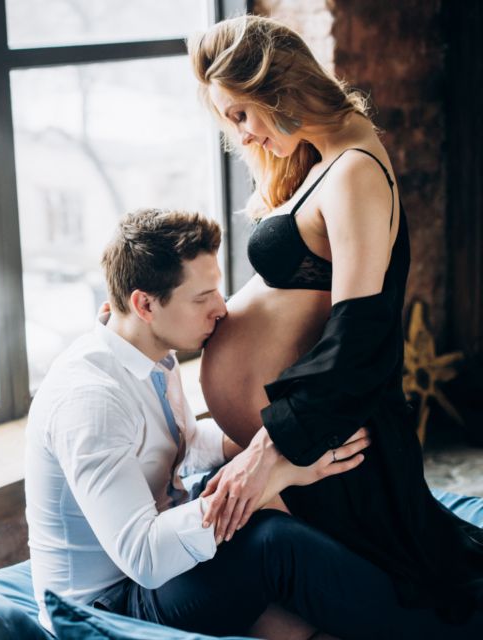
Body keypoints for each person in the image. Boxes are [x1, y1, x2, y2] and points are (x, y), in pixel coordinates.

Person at [24, 208, 471, 639]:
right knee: (274, 543)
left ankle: (429, 583)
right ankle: (449, 629)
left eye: (217, 291)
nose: (221, 308)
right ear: (144, 304)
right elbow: (143, 556)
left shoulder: (149, 357)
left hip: (158, 554)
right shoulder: (90, 402)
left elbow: (182, 444)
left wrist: (281, 449)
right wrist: (272, 477)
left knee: (287, 490)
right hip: (114, 602)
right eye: (202, 298)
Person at [190, 14, 483, 628]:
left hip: (332, 445)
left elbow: (361, 335)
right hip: (310, 449)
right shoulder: (327, 156)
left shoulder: (353, 169)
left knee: (412, 600)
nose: (242, 136)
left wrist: (268, 451)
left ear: (276, 85)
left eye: (241, 114)